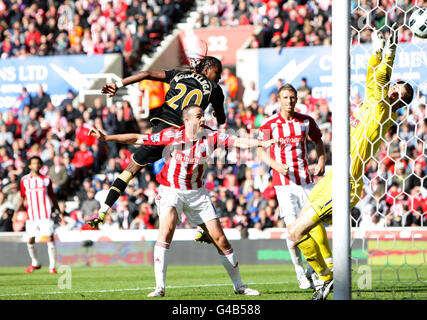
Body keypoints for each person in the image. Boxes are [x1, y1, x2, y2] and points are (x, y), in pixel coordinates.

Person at [88, 105, 276, 297]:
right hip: (172, 190)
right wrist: (106, 138)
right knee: (167, 228)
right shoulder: (172, 135)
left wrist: (262, 143)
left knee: (220, 240)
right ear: (187, 120)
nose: (203, 119)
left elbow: (239, 141)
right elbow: (138, 138)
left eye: (203, 116)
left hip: (197, 194)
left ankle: (239, 287)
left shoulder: (211, 136)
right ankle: (159, 288)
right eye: (198, 116)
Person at [287, 24, 414, 300]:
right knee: (301, 226)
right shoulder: (372, 101)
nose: (393, 93)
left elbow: (379, 77)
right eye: (395, 89)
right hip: (335, 176)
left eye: (398, 95)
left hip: (347, 182)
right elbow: (372, 74)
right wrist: (377, 51)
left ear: (399, 104)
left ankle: (325, 278)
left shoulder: (383, 110)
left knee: (295, 233)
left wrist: (389, 52)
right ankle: (330, 271)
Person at [88, 56, 226, 228]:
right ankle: (200, 226)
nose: (219, 77)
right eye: (217, 73)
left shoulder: (179, 74)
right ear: (207, 70)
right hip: (182, 138)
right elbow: (221, 119)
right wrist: (217, 113)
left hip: (161, 131)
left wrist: (118, 85)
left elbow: (146, 73)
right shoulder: (214, 88)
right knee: (191, 179)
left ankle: (103, 210)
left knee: (130, 171)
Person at [257, 83, 330, 290]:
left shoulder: (306, 121)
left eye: (292, 97)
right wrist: (275, 165)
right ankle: (299, 270)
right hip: (284, 184)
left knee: (314, 228)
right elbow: (261, 151)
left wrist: (321, 161)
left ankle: (313, 270)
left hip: (306, 182)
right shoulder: (269, 123)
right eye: (285, 97)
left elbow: (318, 142)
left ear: (296, 99)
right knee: (292, 231)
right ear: (278, 100)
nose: (289, 101)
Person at [13, 156, 62, 274]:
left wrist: (59, 212)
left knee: (50, 237)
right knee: (30, 240)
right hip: (32, 216)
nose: (36, 165)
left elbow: (52, 196)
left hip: (45, 214)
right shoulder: (25, 180)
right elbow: (22, 198)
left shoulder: (46, 179)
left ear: (41, 165)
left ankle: (52, 266)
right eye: (34, 163)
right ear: (29, 166)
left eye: (38, 163)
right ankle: (35, 263)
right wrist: (15, 213)